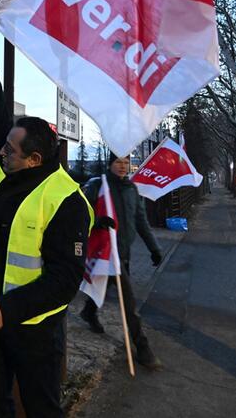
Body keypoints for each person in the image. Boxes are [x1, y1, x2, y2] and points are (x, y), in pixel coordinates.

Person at [0, 21, 93, 417]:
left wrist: (9, 308)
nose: (1, 154)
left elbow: (64, 280)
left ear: (34, 159)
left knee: (41, 407)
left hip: (32, 327)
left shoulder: (65, 199)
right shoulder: (12, 165)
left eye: (9, 152)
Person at [79, 153, 164, 369]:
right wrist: (98, 222)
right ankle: (143, 347)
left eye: (126, 162)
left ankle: (88, 311)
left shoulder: (131, 189)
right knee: (129, 303)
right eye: (118, 162)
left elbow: (141, 220)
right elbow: (82, 213)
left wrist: (154, 248)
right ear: (110, 164)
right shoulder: (99, 186)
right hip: (104, 251)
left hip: (123, 253)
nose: (123, 166)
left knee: (105, 284)